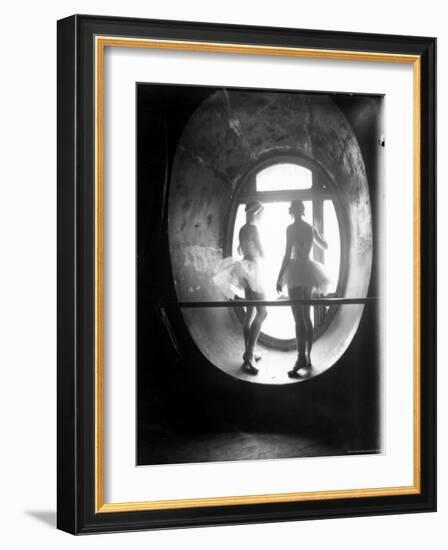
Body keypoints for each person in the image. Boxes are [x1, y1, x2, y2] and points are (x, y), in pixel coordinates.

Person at [276, 199, 330, 378]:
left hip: (295, 271)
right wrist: (318, 232)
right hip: (308, 270)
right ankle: (307, 356)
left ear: (292, 211)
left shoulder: (291, 228)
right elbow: (325, 246)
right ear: (303, 210)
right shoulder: (309, 228)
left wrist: (279, 277)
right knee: (306, 317)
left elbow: (285, 254)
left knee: (298, 318)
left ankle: (300, 358)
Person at [213, 200, 267, 375]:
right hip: (253, 269)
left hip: (244, 268)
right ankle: (249, 353)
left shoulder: (243, 229)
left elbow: (241, 249)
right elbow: (263, 252)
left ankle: (248, 351)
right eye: (262, 213)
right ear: (257, 212)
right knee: (263, 312)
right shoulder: (254, 229)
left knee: (250, 312)